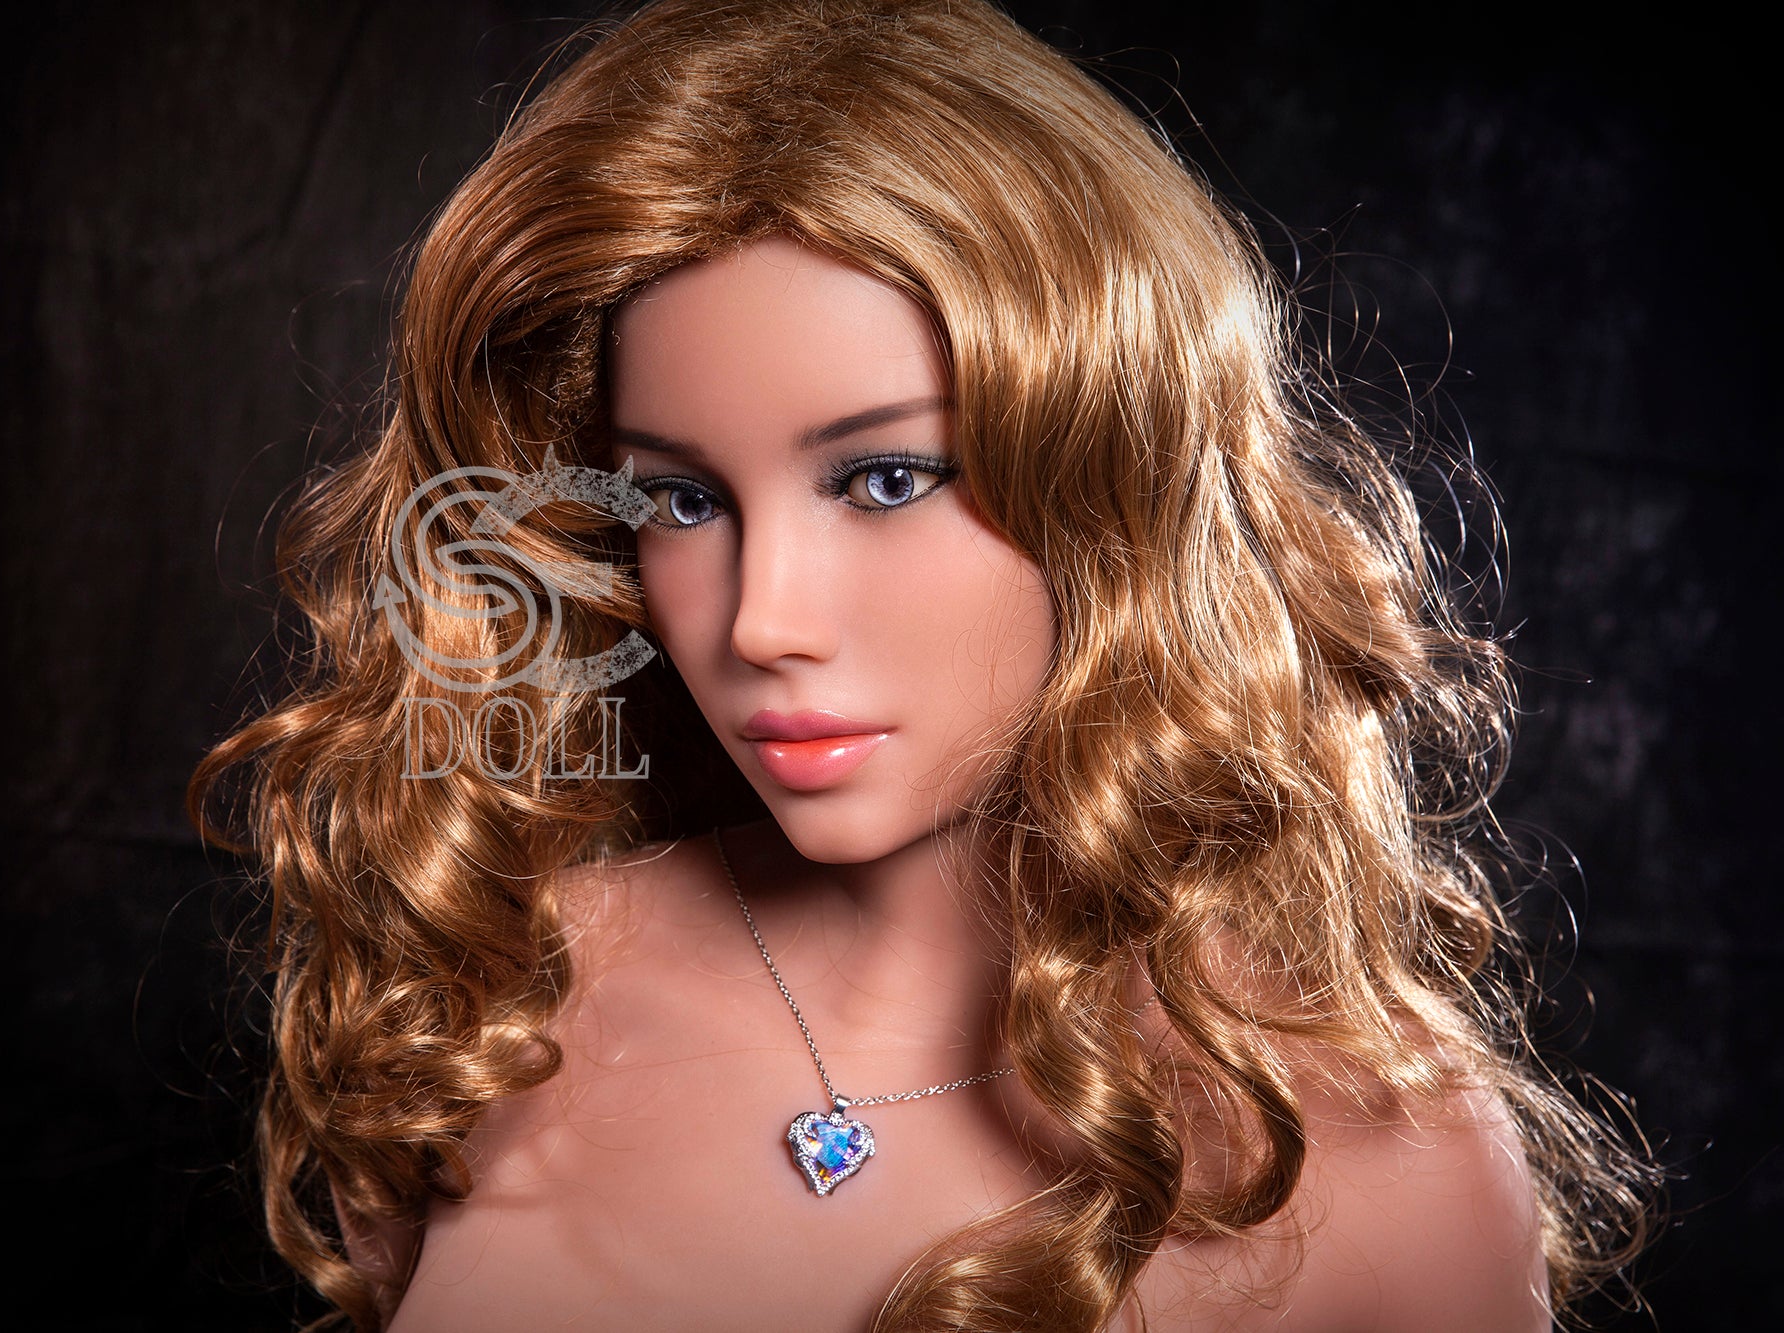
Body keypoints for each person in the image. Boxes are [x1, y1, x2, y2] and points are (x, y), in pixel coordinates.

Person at [191, 1, 1653, 1328]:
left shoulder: (1379, 1163)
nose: (760, 620)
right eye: (682, 500)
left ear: (1110, 484)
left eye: (885, 479)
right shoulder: (490, 1001)